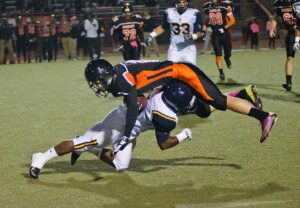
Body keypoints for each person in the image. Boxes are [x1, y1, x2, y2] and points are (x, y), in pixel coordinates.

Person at [29, 81, 262, 179]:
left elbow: (203, 107)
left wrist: (229, 99)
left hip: (133, 130)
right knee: (84, 141)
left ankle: (93, 149)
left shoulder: (169, 95)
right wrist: (183, 135)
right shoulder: (167, 114)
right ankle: (43, 156)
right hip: (121, 122)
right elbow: (163, 144)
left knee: (121, 165)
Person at [83, 58, 277, 151]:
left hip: (181, 73)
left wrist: (126, 136)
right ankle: (242, 94)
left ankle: (265, 116)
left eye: (99, 82)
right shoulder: (117, 83)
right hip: (168, 82)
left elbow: (133, 106)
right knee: (201, 111)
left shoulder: (121, 79)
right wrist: (139, 95)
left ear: (107, 74)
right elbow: (136, 90)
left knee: (217, 101)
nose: (99, 86)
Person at [146, 0, 204, 65]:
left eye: (183, 2)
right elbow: (163, 27)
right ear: (176, 3)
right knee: (172, 71)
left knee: (190, 72)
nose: (181, 4)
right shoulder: (170, 12)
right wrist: (151, 35)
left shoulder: (194, 13)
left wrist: (192, 36)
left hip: (189, 49)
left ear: (187, 3)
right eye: (179, 2)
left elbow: (199, 33)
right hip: (174, 49)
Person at [203, 0, 236, 80]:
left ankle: (227, 58)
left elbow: (232, 20)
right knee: (218, 53)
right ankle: (221, 72)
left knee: (228, 52)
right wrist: (203, 30)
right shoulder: (207, 6)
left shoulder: (225, 5)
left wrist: (224, 28)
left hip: (225, 33)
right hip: (215, 34)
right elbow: (206, 20)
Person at [270, 0, 298, 91]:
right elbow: (275, 17)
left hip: (298, 29)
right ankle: (288, 83)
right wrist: (271, 29)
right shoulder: (278, 4)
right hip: (291, 33)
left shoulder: (296, 2)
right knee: (290, 57)